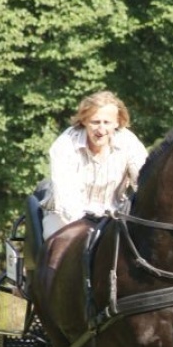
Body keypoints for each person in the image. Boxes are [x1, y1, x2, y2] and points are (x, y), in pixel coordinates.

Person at [41, 90, 148, 239]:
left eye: (107, 122)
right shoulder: (65, 144)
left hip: (113, 217)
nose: (101, 129)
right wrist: (91, 230)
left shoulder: (129, 142)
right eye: (95, 122)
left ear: (117, 122)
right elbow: (66, 197)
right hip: (65, 217)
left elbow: (144, 181)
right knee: (60, 244)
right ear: (84, 121)